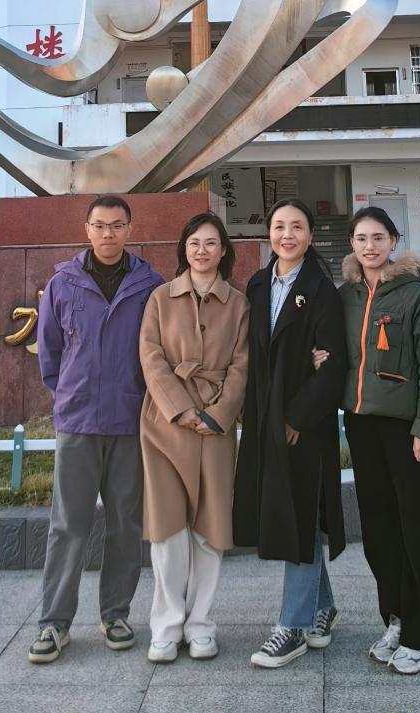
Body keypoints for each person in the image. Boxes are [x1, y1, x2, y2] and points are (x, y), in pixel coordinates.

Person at [28, 194, 164, 664]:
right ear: (87, 229)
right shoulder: (62, 284)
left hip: (129, 422)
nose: (109, 233)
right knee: (68, 524)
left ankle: (116, 614)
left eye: (117, 225)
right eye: (100, 225)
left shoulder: (150, 286)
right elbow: (50, 355)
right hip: (79, 422)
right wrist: (72, 393)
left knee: (126, 524)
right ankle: (54, 622)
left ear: (130, 229)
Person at [323, 205, 420, 676]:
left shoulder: (413, 296)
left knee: (417, 531)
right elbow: (336, 350)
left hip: (407, 431)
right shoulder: (347, 296)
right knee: (379, 533)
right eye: (361, 238)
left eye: (378, 237)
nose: (370, 246)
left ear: (393, 242)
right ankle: (396, 620)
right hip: (363, 426)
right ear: (352, 245)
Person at [233, 197, 348, 669]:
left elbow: (332, 364)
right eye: (279, 226)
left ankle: (292, 627)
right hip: (266, 417)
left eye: (296, 227)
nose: (287, 235)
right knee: (292, 514)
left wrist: (297, 417)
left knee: (299, 516)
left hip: (304, 425)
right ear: (269, 234)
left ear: (310, 235)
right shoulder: (258, 284)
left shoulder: (322, 290)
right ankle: (323, 606)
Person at [139, 212, 249, 663]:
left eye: (210, 243)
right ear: (183, 250)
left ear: (223, 251)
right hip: (164, 427)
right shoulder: (160, 298)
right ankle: (166, 626)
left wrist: (218, 414)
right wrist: (182, 408)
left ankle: (201, 624)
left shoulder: (239, 304)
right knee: (167, 531)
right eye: (193, 243)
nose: (201, 251)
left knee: (209, 529)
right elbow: (150, 356)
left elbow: (242, 366)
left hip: (215, 430)